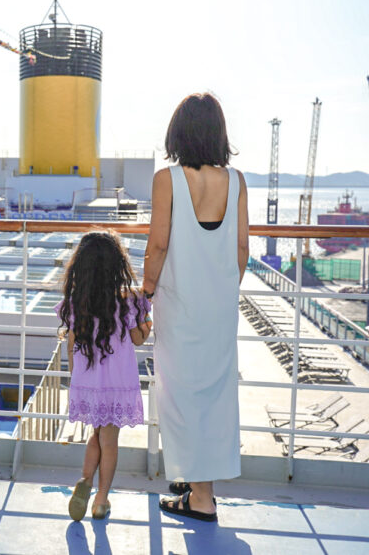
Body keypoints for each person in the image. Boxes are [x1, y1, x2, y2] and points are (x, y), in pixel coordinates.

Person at [142, 92, 249, 523]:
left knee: (179, 390)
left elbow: (158, 245)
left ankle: (201, 497)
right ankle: (195, 481)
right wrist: (220, 289)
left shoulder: (167, 179)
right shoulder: (237, 181)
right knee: (215, 393)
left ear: (179, 132)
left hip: (178, 301)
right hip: (219, 305)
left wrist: (146, 291)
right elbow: (241, 248)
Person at [55, 231, 152, 521]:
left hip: (88, 382)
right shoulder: (128, 302)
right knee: (109, 441)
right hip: (117, 384)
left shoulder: (77, 303)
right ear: (117, 265)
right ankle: (101, 500)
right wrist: (147, 319)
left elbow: (72, 345)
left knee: (96, 434)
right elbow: (138, 339)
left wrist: (76, 380)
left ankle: (85, 479)